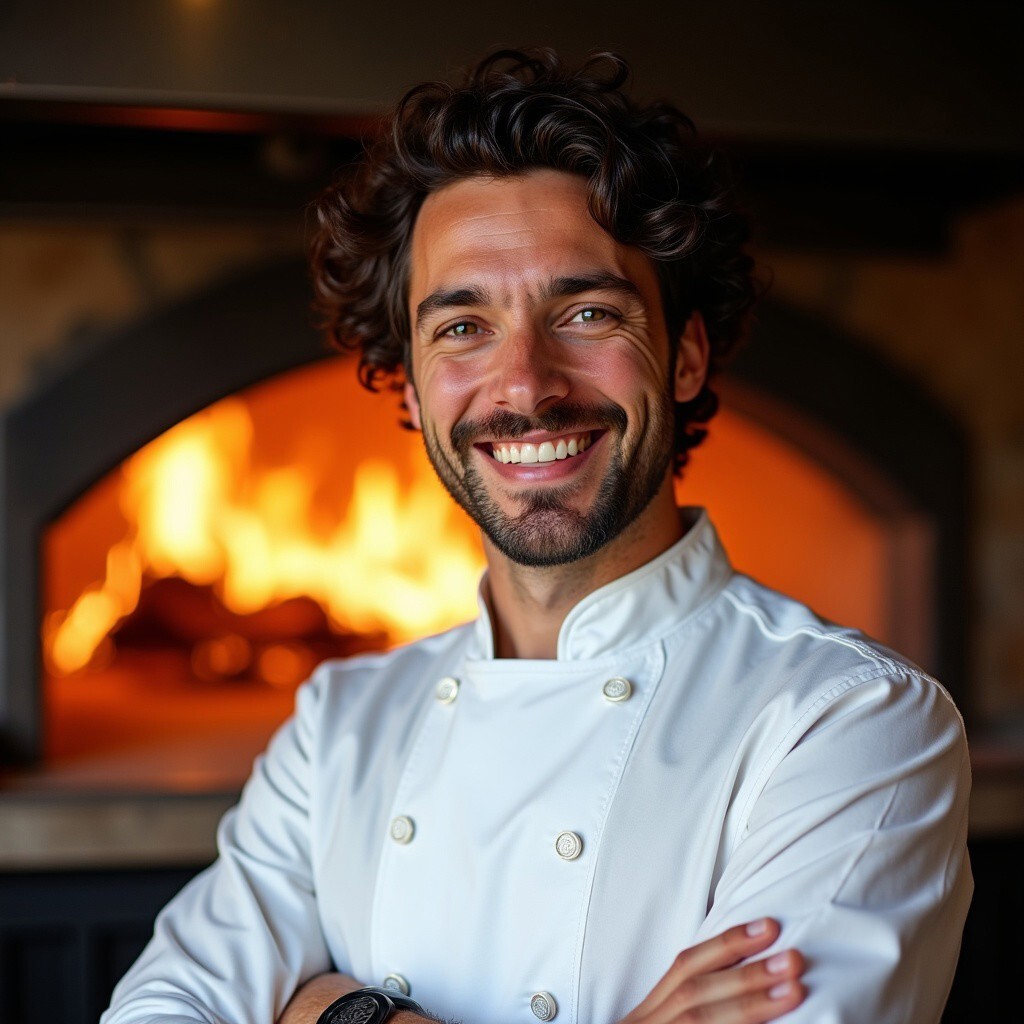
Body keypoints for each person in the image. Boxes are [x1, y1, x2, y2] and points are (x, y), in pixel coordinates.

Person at [102, 48, 972, 1024]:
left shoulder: (849, 720)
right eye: (462, 327)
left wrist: (325, 1009)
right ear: (411, 382)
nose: (524, 384)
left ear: (683, 357)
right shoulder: (341, 722)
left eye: (586, 311)